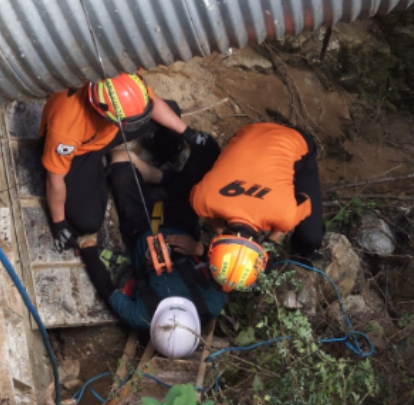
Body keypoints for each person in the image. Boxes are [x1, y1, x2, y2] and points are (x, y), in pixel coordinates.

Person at [38, 71, 215, 252]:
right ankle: (103, 165)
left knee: (172, 112)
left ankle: (160, 161)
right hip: (81, 151)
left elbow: (153, 105)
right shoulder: (66, 130)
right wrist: (58, 222)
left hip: (108, 129)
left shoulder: (120, 80)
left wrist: (188, 133)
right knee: (88, 222)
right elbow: (54, 179)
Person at [78, 138, 226, 345]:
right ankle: (167, 179)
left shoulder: (141, 318)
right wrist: (198, 249)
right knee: (208, 150)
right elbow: (228, 264)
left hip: (139, 229)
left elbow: (107, 289)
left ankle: (164, 180)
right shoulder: (210, 305)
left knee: (118, 163)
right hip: (180, 223)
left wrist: (89, 249)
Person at [189, 123, 325, 292]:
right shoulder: (202, 200)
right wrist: (221, 231)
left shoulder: (284, 216)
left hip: (294, 140)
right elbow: (207, 213)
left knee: (311, 236)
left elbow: (305, 202)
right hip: (248, 131)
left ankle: (304, 251)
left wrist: (270, 244)